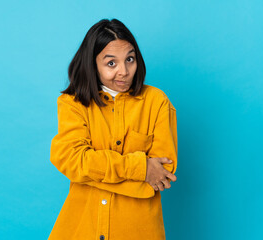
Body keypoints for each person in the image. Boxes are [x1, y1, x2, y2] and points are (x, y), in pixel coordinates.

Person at [48, 18, 178, 240]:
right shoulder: (73, 103)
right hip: (81, 229)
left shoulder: (157, 102)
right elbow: (72, 160)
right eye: (111, 63)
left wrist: (91, 171)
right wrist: (140, 168)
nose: (124, 71)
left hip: (139, 232)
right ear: (92, 64)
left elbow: (162, 175)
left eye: (130, 59)